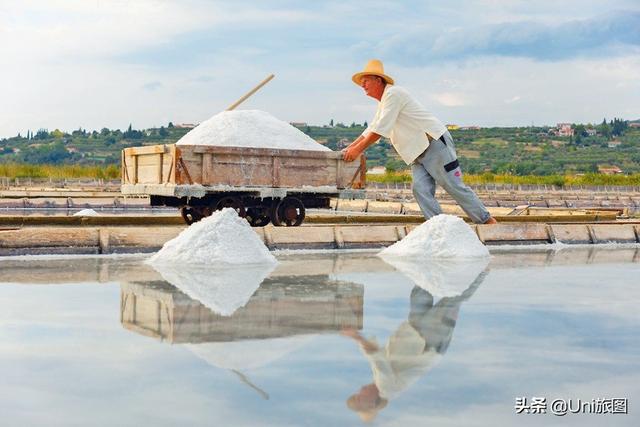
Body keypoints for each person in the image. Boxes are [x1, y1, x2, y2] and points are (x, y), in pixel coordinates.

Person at [343, 59, 497, 224]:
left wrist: (357, 150)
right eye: (362, 83)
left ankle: (487, 221)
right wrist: (348, 149)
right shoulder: (383, 103)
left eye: (365, 81)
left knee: (453, 186)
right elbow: (369, 130)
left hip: (433, 143)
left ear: (378, 80)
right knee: (420, 189)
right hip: (417, 152)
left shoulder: (393, 94)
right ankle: (439, 226)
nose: (363, 85)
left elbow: (380, 130)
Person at [343, 268, 488, 422]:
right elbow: (378, 360)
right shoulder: (387, 388)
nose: (359, 391)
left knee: (420, 289)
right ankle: (482, 269)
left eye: (356, 396)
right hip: (430, 342)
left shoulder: (380, 383)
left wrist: (359, 339)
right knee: (452, 300)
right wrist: (357, 338)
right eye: (360, 398)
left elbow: (376, 354)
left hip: (414, 331)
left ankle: (438, 260)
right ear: (372, 402)